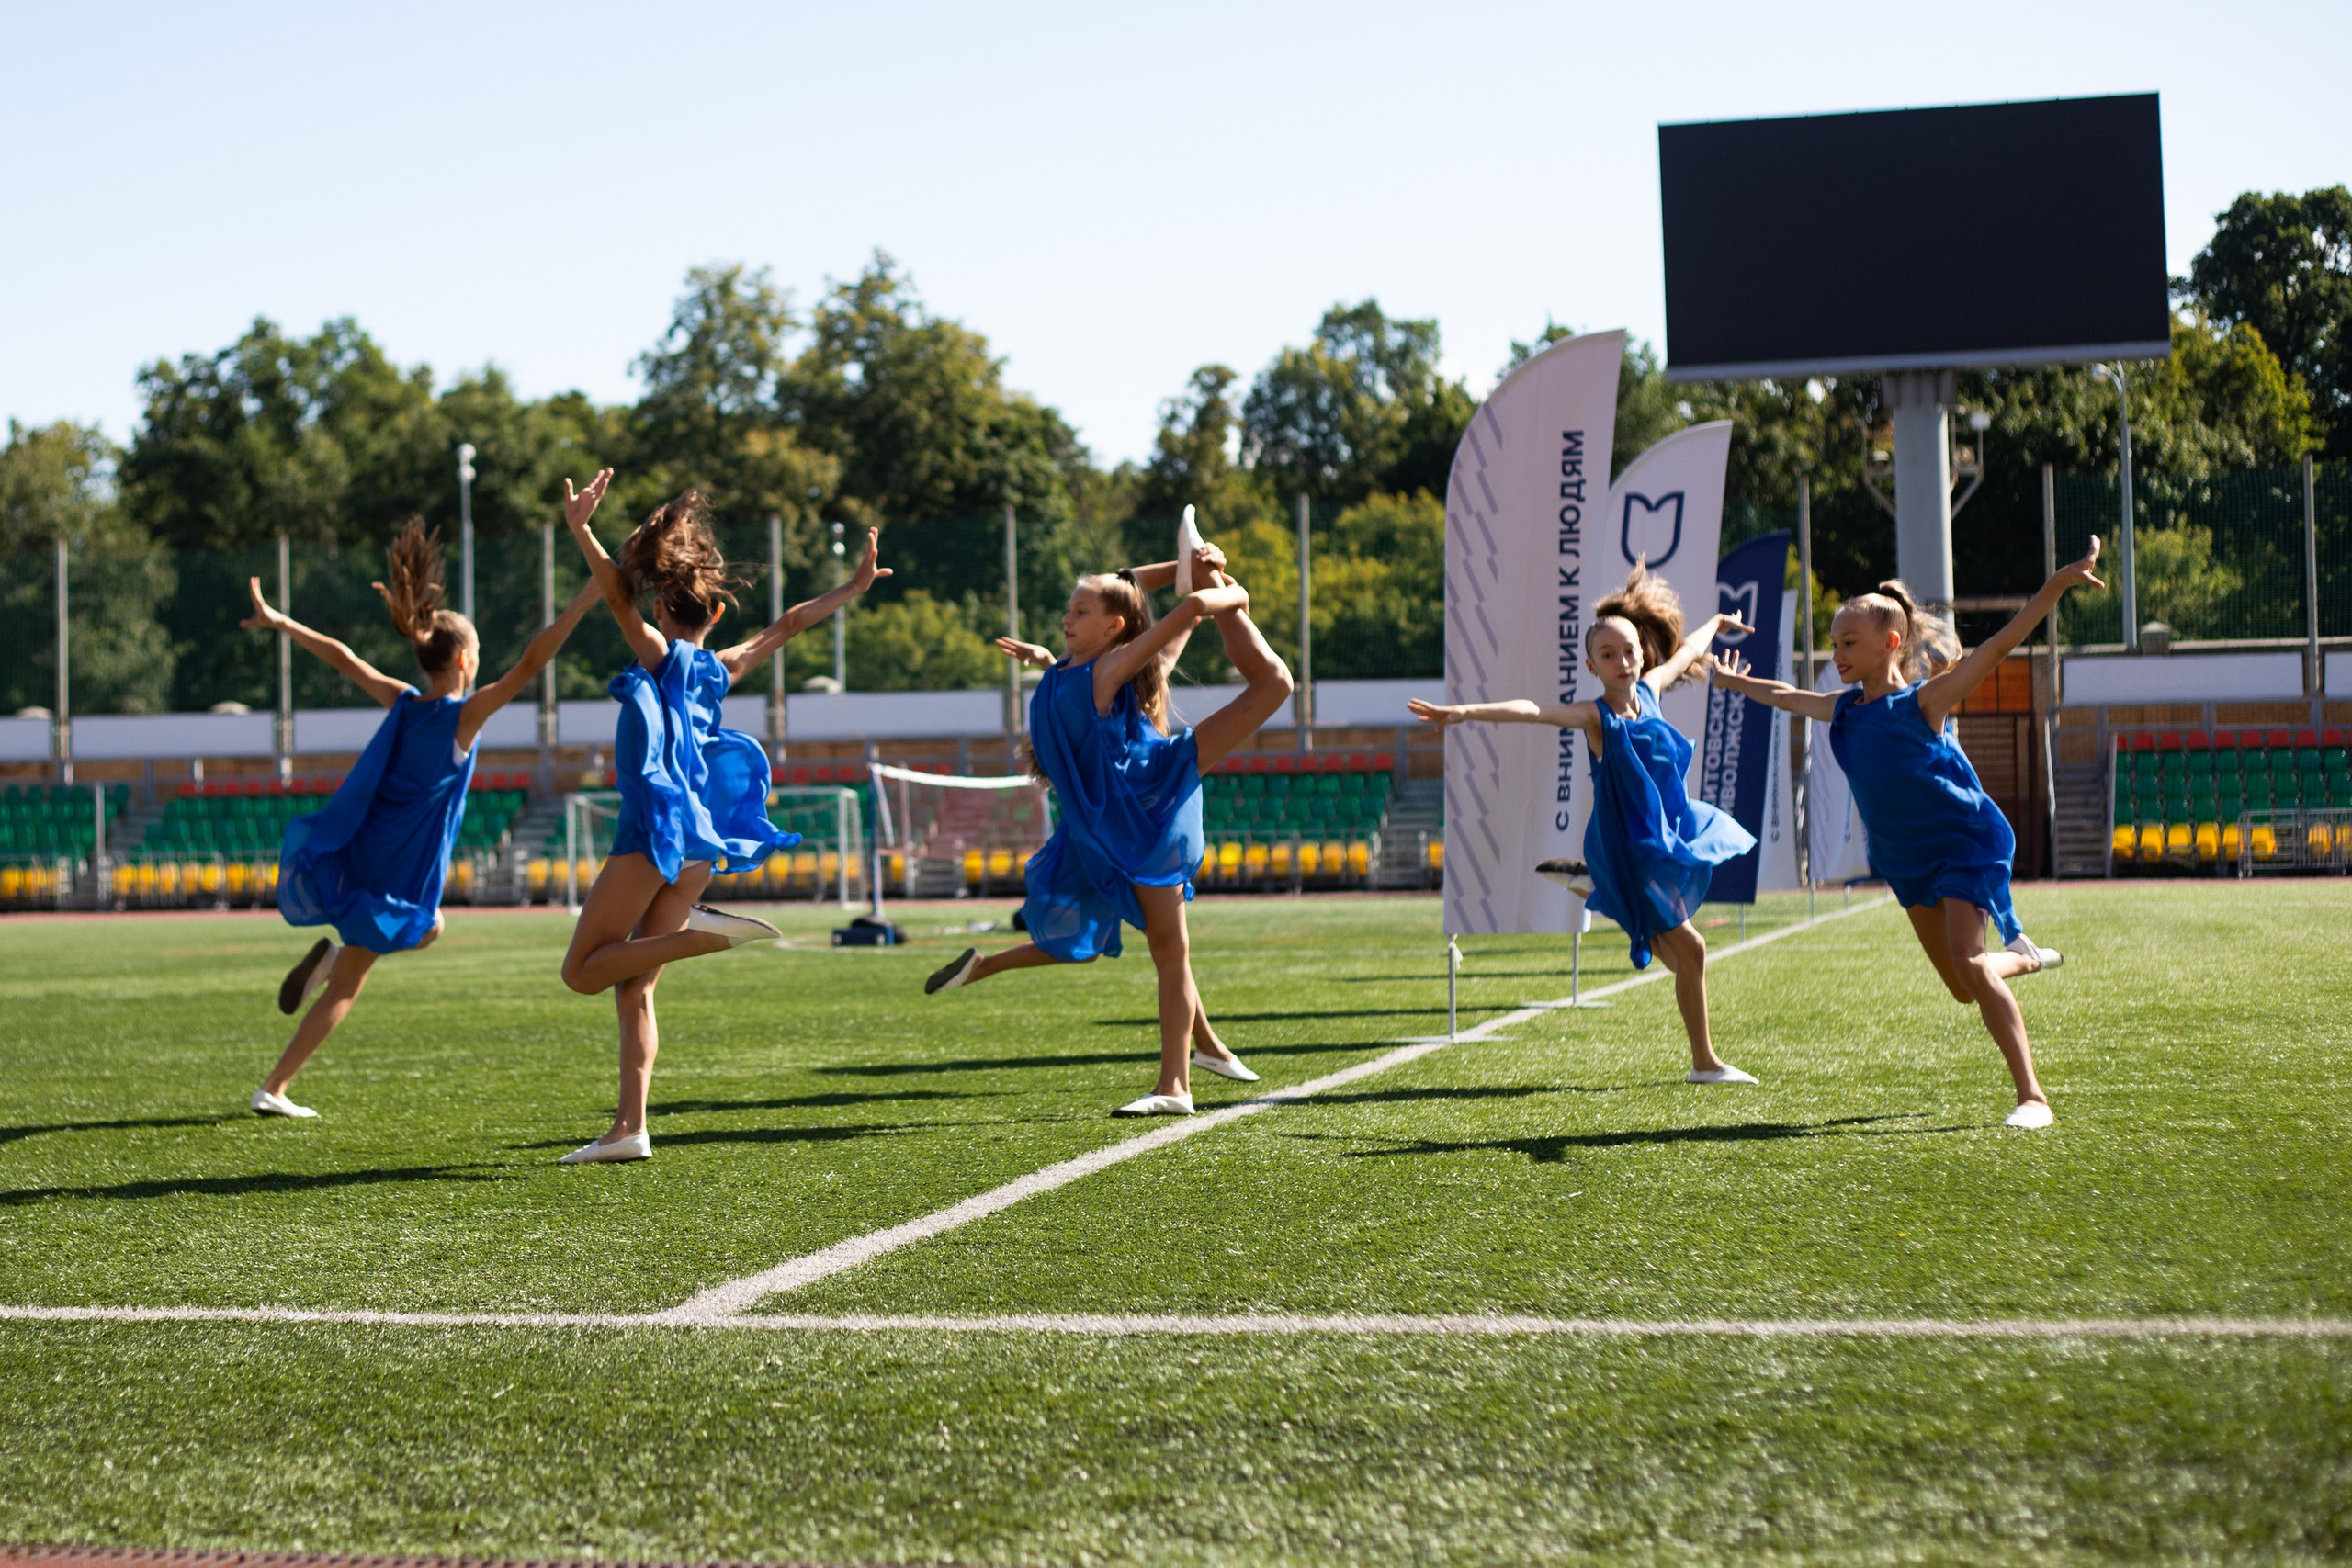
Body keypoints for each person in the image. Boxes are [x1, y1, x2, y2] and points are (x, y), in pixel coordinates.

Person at [1706, 539, 2103, 1129]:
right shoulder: (1842, 710)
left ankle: (2033, 1098)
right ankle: (2029, 959)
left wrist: (2055, 587)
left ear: (1891, 643)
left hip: (1958, 848)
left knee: (1970, 961)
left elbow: (1997, 647)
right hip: (1903, 862)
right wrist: (1732, 682)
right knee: (1965, 986)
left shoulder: (1925, 701)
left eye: (1849, 643)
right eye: (1836, 643)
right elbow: (1788, 696)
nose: (1838, 653)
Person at [555, 471, 889, 1163]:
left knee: (582, 971)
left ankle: (703, 938)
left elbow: (614, 594)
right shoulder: (721, 667)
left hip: (655, 833)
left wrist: (582, 530)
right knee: (633, 988)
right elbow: (791, 622)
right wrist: (853, 589)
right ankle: (630, 1127)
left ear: (659, 605)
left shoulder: (661, 657)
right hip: (700, 844)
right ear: (715, 616)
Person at [242, 518, 602, 1118]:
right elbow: (532, 662)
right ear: (462, 658)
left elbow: (344, 658)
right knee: (366, 972)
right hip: (398, 867)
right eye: (479, 652)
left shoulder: (406, 705)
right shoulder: (464, 716)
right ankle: (273, 1087)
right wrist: (587, 598)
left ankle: (295, 1036)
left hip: (364, 851)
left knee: (421, 933)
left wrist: (282, 623)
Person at [922, 544, 1292, 1117]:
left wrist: (1221, 589)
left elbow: (1188, 607)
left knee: (1166, 949)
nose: (1066, 618)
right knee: (1143, 948)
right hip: (1117, 815)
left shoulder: (1103, 670)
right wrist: (1194, 570)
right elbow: (1139, 593)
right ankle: (1201, 1058)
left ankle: (1179, 1083)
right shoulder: (1076, 669)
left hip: (1143, 804)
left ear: (1114, 626)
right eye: (1068, 611)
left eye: (1079, 612)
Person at [1408, 564, 1760, 1085]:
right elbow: (1532, 711)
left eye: (1629, 651)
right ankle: (1704, 1063)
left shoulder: (1654, 692)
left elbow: (1687, 652)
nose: (1622, 661)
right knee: (1692, 950)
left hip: (1668, 835)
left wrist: (1717, 621)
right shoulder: (1597, 717)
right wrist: (1463, 712)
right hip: (1633, 849)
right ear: (1593, 666)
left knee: (1675, 952)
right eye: (1608, 655)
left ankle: (1597, 886)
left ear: (1643, 651)